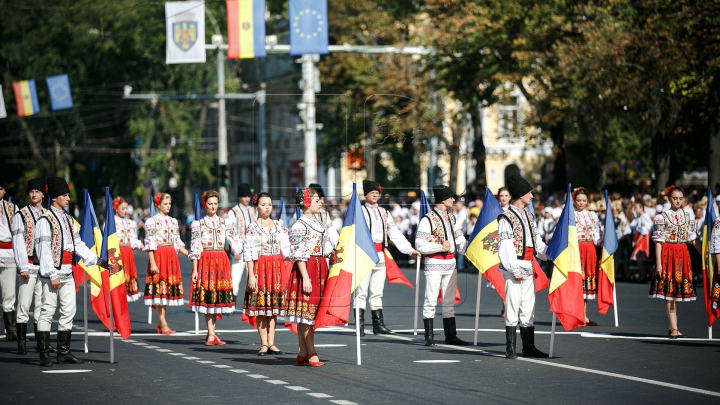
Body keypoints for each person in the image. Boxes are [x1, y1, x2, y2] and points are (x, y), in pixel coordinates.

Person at [35, 177, 108, 366]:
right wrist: (52, 274)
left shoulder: (68, 219)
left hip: (68, 272)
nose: (68, 199)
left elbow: (78, 245)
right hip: (52, 274)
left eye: (68, 195)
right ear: (55, 197)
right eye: (65, 195)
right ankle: (43, 353)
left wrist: (97, 260)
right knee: (47, 311)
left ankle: (63, 352)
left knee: (69, 311)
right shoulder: (45, 219)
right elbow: (44, 251)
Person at [355, 180, 418, 336]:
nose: (375, 195)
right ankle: (359, 326)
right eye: (372, 192)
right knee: (361, 292)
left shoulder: (384, 212)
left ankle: (378, 325)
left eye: (377, 193)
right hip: (363, 255)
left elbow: (394, 233)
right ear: (366, 194)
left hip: (380, 254)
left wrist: (409, 250)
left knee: (377, 292)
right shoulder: (359, 211)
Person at [497, 174, 549, 359]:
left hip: (528, 264)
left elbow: (537, 243)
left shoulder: (528, 216)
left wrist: (550, 254)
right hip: (516, 265)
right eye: (529, 193)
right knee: (512, 303)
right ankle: (510, 346)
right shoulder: (506, 217)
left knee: (528, 306)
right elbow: (505, 245)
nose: (532, 196)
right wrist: (514, 269)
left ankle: (529, 346)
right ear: (520, 195)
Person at [285, 188, 336, 367]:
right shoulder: (299, 225)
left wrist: (335, 255)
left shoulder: (318, 222)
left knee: (309, 314)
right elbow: (298, 255)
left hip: (320, 267)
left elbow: (326, 246)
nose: (320, 202)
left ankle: (302, 351)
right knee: (306, 313)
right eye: (316, 200)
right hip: (307, 269)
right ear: (307, 203)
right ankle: (311, 351)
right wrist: (305, 278)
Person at [415, 185, 468, 347]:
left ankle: (451, 335)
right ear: (443, 199)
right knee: (430, 299)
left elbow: (460, 241)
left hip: (450, 263)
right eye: (451, 197)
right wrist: (439, 247)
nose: (453, 200)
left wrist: (473, 253)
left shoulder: (452, 218)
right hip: (434, 262)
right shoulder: (428, 219)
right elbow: (419, 244)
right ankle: (429, 335)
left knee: (449, 301)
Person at [189, 191, 242, 345]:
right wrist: (194, 269)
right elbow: (195, 247)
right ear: (205, 204)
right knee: (208, 296)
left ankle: (211, 333)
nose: (213, 206)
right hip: (206, 260)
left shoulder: (225, 222)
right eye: (210, 203)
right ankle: (211, 333)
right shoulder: (198, 224)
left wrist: (240, 249)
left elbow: (235, 240)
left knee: (216, 296)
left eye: (215, 203)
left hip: (221, 259)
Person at [242, 192, 290, 355]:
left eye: (269, 204)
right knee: (261, 307)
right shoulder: (252, 227)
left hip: (276, 267)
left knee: (273, 308)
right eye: (263, 204)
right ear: (257, 207)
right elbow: (248, 251)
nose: (267, 207)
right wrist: (251, 274)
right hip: (260, 267)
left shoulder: (279, 225)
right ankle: (263, 343)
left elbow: (287, 249)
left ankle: (272, 342)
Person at [649, 185, 697, 339]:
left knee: (678, 291)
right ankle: (674, 327)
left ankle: (673, 326)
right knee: (669, 292)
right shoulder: (661, 217)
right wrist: (659, 263)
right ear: (669, 199)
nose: (678, 201)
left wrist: (705, 255)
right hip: (667, 253)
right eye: (675, 198)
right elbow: (659, 242)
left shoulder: (688, 216)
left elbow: (692, 239)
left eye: (680, 198)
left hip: (682, 253)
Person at [11, 178, 49, 355]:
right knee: (24, 304)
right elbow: (18, 242)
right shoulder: (21, 215)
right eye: (31, 191)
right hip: (28, 264)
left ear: (43, 194)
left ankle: (41, 342)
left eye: (37, 191)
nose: (34, 194)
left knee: (41, 305)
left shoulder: (48, 214)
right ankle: (21, 342)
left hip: (43, 266)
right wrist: (22, 265)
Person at [144, 193, 189, 334]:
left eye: (169, 204)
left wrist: (190, 254)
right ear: (158, 205)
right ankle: (163, 324)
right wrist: (152, 262)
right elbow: (150, 243)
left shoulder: (173, 221)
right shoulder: (151, 221)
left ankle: (160, 323)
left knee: (165, 291)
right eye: (165, 204)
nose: (168, 206)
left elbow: (177, 242)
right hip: (158, 255)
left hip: (170, 256)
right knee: (159, 289)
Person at [572, 187, 602, 326]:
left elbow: (597, 235)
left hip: (589, 249)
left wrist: (602, 242)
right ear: (574, 200)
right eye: (579, 200)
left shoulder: (593, 216)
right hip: (575, 249)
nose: (581, 203)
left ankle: (583, 315)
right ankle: (576, 315)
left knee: (586, 282)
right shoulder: (570, 215)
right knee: (576, 281)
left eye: (584, 200)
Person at [228, 183, 257, 301]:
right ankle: (231, 304)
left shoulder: (253, 210)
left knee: (253, 276)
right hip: (239, 250)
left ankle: (252, 302)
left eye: (248, 196)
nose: (247, 199)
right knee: (235, 278)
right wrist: (235, 249)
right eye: (244, 196)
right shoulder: (233, 212)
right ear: (239, 197)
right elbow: (230, 233)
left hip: (251, 249)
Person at [113, 197, 144, 302]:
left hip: (128, 253)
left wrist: (141, 246)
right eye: (123, 208)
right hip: (116, 254)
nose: (125, 211)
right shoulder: (111, 222)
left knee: (127, 281)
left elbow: (133, 240)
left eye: (126, 208)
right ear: (116, 208)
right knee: (117, 281)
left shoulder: (130, 223)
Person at [0, 178, 18, 342]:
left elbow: (19, 233)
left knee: (9, 293)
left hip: (8, 253)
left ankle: (11, 330)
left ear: (4, 191)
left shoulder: (12, 208)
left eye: (0, 188)